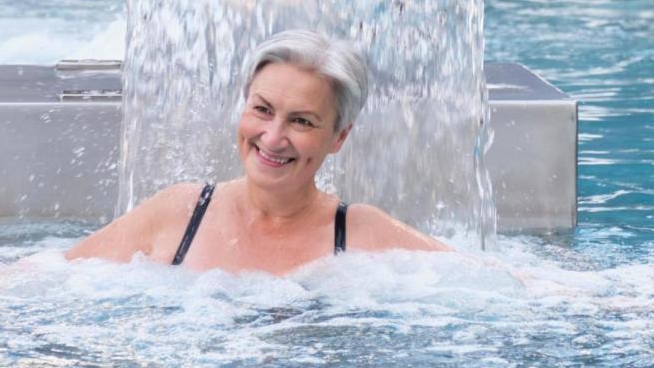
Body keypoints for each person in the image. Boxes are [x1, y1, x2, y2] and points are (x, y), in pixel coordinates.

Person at [65, 29, 453, 275]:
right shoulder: (179, 213)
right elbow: (55, 276)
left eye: (301, 121)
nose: (273, 137)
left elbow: (477, 284)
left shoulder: (361, 233)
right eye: (263, 110)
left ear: (338, 137)